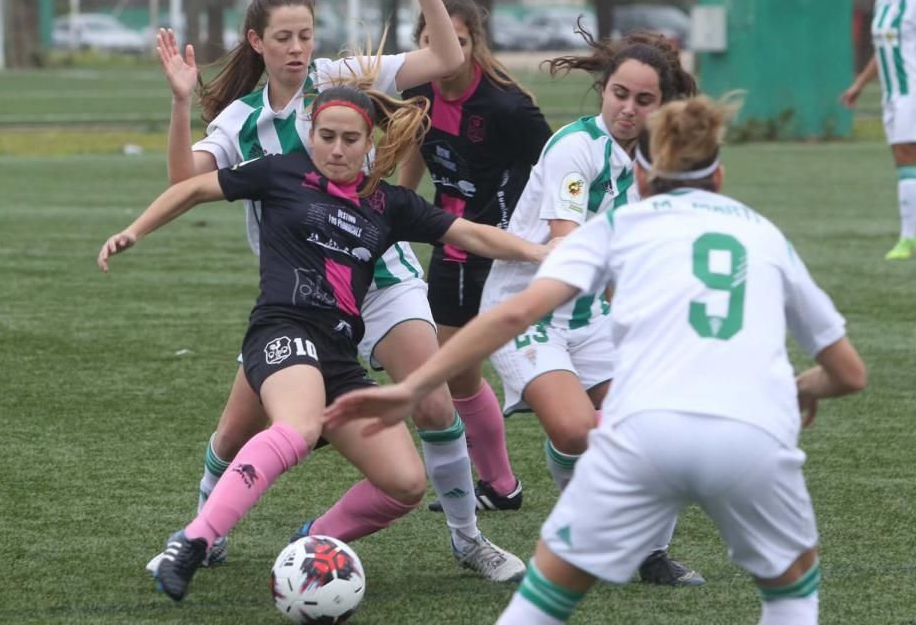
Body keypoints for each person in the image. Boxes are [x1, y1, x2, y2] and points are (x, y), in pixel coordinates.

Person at [326, 94, 869, 625]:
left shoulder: (618, 227)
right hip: (753, 436)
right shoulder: (765, 236)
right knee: (791, 600)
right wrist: (802, 390)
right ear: (720, 178)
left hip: (644, 437)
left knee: (542, 605)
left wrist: (410, 387)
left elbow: (514, 315)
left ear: (643, 180)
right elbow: (849, 373)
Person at [151, 0, 527, 582]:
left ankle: (468, 541)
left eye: (305, 35)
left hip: (382, 276)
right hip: (300, 292)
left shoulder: (341, 74)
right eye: (284, 38)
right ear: (256, 42)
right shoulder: (241, 120)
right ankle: (202, 534)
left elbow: (446, 59)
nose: (298, 48)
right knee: (236, 429)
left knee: (434, 401)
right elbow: (186, 181)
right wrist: (182, 105)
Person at [98, 85, 551, 602]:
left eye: (349, 139)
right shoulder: (279, 172)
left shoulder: (389, 202)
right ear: (310, 135)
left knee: (405, 483)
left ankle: (315, 539)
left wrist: (541, 253)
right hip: (282, 328)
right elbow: (193, 188)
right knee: (295, 425)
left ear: (369, 144)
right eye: (327, 136)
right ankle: (195, 540)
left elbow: (471, 234)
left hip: (339, 352)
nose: (337, 149)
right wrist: (135, 230)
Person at [472, 27, 703, 586]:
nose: (628, 108)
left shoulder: (655, 160)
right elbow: (567, 244)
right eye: (620, 93)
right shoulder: (576, 147)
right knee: (578, 431)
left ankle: (647, 552)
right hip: (526, 310)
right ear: (603, 90)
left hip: (588, 314)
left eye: (644, 100)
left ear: (661, 106)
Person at [397, 0, 552, 514]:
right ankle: (496, 481)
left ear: (474, 44)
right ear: (421, 42)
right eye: (434, 40)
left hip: (497, 247)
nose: (447, 51)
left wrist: (543, 233)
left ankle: (500, 481)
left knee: (457, 369)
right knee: (457, 370)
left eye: (458, 42)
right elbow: (414, 145)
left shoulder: (506, 104)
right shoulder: (416, 88)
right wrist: (397, 206)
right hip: (453, 240)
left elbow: (554, 164)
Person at [840, 0, 916, 260]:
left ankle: (908, 238)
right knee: (906, 163)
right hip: (892, 95)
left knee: (905, 161)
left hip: (914, 91)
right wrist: (858, 85)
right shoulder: (882, 3)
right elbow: (881, 54)